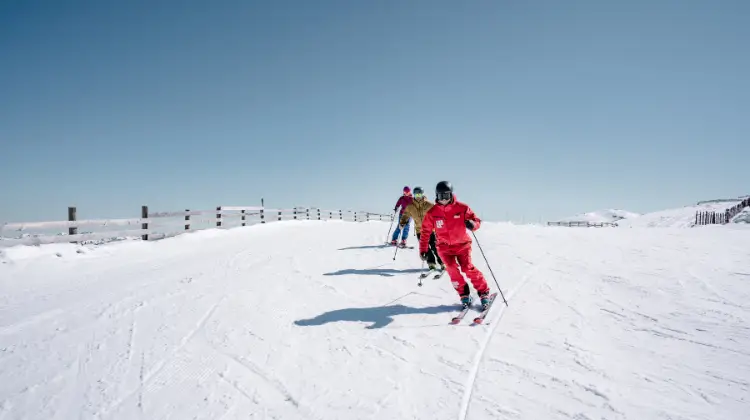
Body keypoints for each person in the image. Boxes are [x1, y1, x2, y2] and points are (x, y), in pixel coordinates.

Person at [419, 181, 492, 310]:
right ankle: (464, 294)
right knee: (451, 269)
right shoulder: (432, 213)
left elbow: (476, 221)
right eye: (441, 196)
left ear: (451, 194)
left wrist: (472, 224)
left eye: (447, 195)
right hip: (444, 248)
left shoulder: (462, 208)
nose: (444, 199)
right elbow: (425, 232)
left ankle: (484, 292)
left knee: (467, 268)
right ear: (436, 196)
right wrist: (423, 249)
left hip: (463, 245)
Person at [399, 186, 444, 271]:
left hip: (431, 230)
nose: (418, 196)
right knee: (426, 248)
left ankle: (442, 262)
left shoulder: (429, 205)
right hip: (420, 231)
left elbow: (438, 213)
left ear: (423, 194)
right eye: (416, 194)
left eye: (420, 194)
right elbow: (405, 215)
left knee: (435, 246)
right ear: (414, 195)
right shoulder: (410, 206)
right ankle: (431, 263)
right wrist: (402, 222)